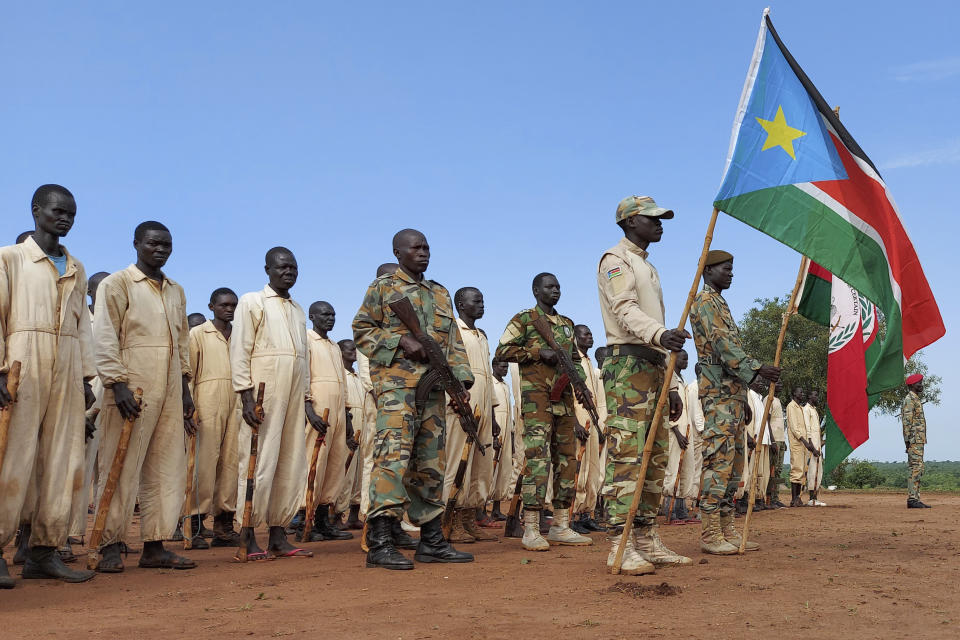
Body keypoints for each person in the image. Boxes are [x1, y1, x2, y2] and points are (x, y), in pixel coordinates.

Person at [353, 229, 474, 569]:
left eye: (427, 247)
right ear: (398, 253)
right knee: (392, 460)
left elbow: (452, 342)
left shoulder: (440, 292)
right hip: (397, 391)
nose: (423, 252)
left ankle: (431, 541)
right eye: (415, 247)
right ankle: (380, 542)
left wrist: (460, 380)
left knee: (431, 465)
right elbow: (362, 330)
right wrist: (399, 342)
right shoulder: (383, 288)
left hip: (434, 391)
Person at [0, 185, 97, 587]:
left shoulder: (75, 266)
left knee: (63, 460)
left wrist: (87, 377)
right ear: (36, 210)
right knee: (13, 457)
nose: (65, 218)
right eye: (58, 210)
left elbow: (81, 326)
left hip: (68, 364)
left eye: (71, 213)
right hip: (24, 359)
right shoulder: (11, 258)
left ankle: (43, 552)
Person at [92, 220, 198, 572]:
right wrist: (116, 383)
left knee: (165, 466)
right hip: (131, 383)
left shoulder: (176, 290)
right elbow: (105, 335)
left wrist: (184, 390)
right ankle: (109, 544)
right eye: (153, 243)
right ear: (136, 243)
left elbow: (182, 343)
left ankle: (154, 545)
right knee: (119, 464)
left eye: (167, 244)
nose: (161, 249)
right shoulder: (117, 283)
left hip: (169, 386)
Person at [595, 195, 689, 574]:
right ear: (631, 221)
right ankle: (620, 543)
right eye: (653, 219)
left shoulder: (647, 265)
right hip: (628, 365)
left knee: (655, 457)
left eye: (661, 218)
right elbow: (624, 309)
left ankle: (647, 539)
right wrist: (660, 333)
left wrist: (671, 387)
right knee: (628, 456)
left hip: (653, 366)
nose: (660, 224)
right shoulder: (615, 260)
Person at [690, 250, 780, 555]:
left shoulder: (721, 302)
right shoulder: (704, 301)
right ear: (709, 270)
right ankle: (709, 532)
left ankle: (726, 526)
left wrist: (746, 387)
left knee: (734, 462)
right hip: (717, 394)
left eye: (732, 269)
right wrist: (756, 367)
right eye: (726, 269)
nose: (731, 274)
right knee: (718, 461)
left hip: (732, 394)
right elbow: (721, 343)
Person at [495, 272, 593, 552]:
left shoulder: (565, 325)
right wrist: (538, 352)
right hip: (536, 401)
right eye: (549, 287)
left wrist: (582, 389)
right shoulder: (524, 319)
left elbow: (574, 361)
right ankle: (532, 528)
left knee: (567, 461)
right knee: (538, 460)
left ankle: (562, 524)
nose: (555, 291)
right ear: (536, 290)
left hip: (563, 401)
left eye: (558, 287)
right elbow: (503, 351)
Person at [230, 247, 315, 561]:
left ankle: (279, 534)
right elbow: (240, 350)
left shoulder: (297, 309)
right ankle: (248, 534)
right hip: (264, 392)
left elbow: (302, 360)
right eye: (282, 267)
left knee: (290, 463)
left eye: (293, 267)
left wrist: (306, 399)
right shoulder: (252, 301)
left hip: (293, 394)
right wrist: (246, 396)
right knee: (259, 463)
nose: (288, 271)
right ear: (267, 269)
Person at [186, 288, 242, 548]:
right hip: (207, 399)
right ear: (211, 307)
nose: (229, 309)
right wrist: (189, 408)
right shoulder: (198, 334)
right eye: (224, 305)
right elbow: (188, 374)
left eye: (233, 305)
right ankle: (195, 526)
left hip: (238, 402)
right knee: (204, 464)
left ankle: (224, 525)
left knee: (231, 464)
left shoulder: (241, 336)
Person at [443, 287, 498, 543]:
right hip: (461, 405)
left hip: (484, 405)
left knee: (480, 465)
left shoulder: (482, 336)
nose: (482, 304)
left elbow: (486, 374)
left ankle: (468, 518)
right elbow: (447, 369)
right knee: (458, 462)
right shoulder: (452, 330)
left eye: (483, 299)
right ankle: (450, 520)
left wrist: (494, 414)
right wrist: (453, 399)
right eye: (477, 300)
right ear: (461, 304)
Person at [301, 301, 354, 542]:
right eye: (325, 314)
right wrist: (308, 410)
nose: (330, 318)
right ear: (312, 316)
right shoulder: (307, 341)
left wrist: (348, 418)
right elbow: (304, 377)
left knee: (334, 466)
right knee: (315, 464)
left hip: (338, 413)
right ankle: (305, 521)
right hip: (318, 410)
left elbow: (342, 385)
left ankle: (324, 520)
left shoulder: (334, 347)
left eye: (333, 314)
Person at [67, 270, 109, 549]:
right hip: (84, 398)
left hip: (112, 400)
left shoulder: (117, 320)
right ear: (91, 293)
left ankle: (105, 535)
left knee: (105, 468)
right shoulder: (84, 320)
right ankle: (66, 531)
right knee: (77, 467)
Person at [571, 325, 607, 534]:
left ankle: (587, 514)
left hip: (592, 420)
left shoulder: (589, 363)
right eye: (586, 334)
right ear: (575, 338)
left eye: (591, 333)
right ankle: (574, 514)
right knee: (580, 469)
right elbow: (569, 395)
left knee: (593, 469)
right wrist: (575, 423)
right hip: (580, 419)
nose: (590, 337)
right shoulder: (573, 362)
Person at [334, 339, 369, 529]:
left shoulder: (359, 376)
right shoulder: (341, 375)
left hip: (363, 423)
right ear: (340, 352)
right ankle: (337, 515)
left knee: (360, 470)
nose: (355, 352)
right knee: (345, 472)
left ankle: (354, 515)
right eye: (351, 349)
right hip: (350, 423)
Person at [663, 351, 695, 524]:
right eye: (684, 358)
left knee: (687, 470)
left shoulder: (683, 381)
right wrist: (676, 431)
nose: (687, 361)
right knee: (673, 469)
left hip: (687, 432)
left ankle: (682, 509)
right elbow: (666, 408)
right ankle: (670, 509)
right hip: (674, 431)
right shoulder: (669, 379)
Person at [487, 359, 518, 520]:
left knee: (504, 470)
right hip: (495, 429)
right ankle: (481, 508)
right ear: (494, 367)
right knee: (490, 469)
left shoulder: (505, 386)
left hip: (507, 429)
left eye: (507, 367)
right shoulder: (489, 383)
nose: (505, 369)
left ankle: (497, 509)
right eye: (502, 366)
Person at [902, 374, 929, 508]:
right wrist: (907, 441)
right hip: (914, 440)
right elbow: (907, 421)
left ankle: (915, 498)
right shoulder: (909, 399)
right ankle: (912, 499)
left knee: (918, 468)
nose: (921, 385)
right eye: (919, 383)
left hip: (918, 439)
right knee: (916, 468)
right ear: (912, 385)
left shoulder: (915, 399)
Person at [785, 387, 809, 507]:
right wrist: (805, 441)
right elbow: (794, 428)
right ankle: (793, 499)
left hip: (803, 444)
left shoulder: (801, 408)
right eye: (800, 392)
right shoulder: (791, 406)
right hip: (797, 442)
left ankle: (798, 498)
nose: (802, 394)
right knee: (796, 469)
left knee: (802, 470)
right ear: (794, 393)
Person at [765, 381, 787, 508]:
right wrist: (772, 441)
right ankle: (769, 498)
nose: (781, 385)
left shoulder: (778, 400)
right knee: (771, 469)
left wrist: (783, 441)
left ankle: (775, 497)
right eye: (778, 383)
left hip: (780, 439)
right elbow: (767, 420)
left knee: (778, 470)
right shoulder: (769, 399)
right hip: (773, 440)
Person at [804, 390, 825, 506]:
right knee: (812, 471)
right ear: (809, 396)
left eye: (818, 395)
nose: (817, 397)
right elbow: (807, 430)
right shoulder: (806, 409)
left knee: (818, 471)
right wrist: (812, 447)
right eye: (815, 395)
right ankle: (811, 498)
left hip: (817, 445)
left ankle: (815, 497)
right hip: (812, 446)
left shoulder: (814, 410)